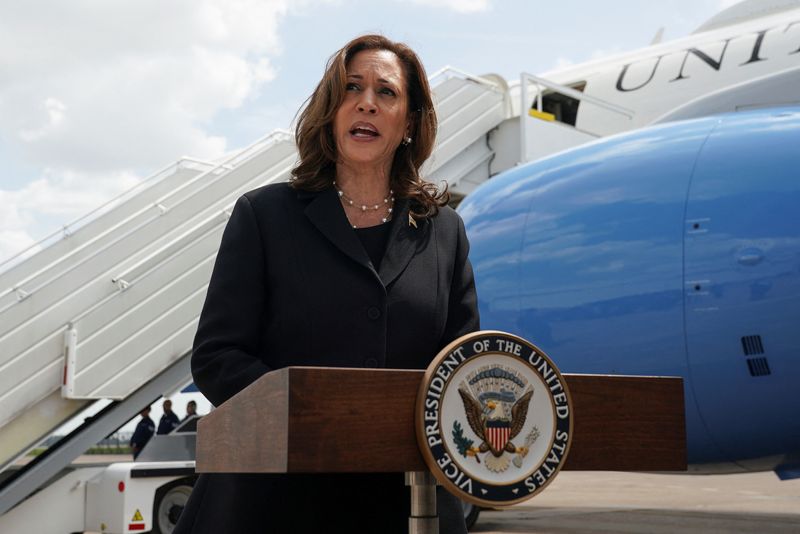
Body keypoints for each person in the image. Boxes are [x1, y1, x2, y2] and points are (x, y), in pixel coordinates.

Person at [174, 34, 479, 534]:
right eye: (351, 88)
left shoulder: (445, 231)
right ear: (331, 111)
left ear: (408, 122)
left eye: (386, 92)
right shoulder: (264, 215)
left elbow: (460, 366)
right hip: (273, 500)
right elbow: (217, 356)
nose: (366, 102)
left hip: (406, 502)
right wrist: (320, 413)